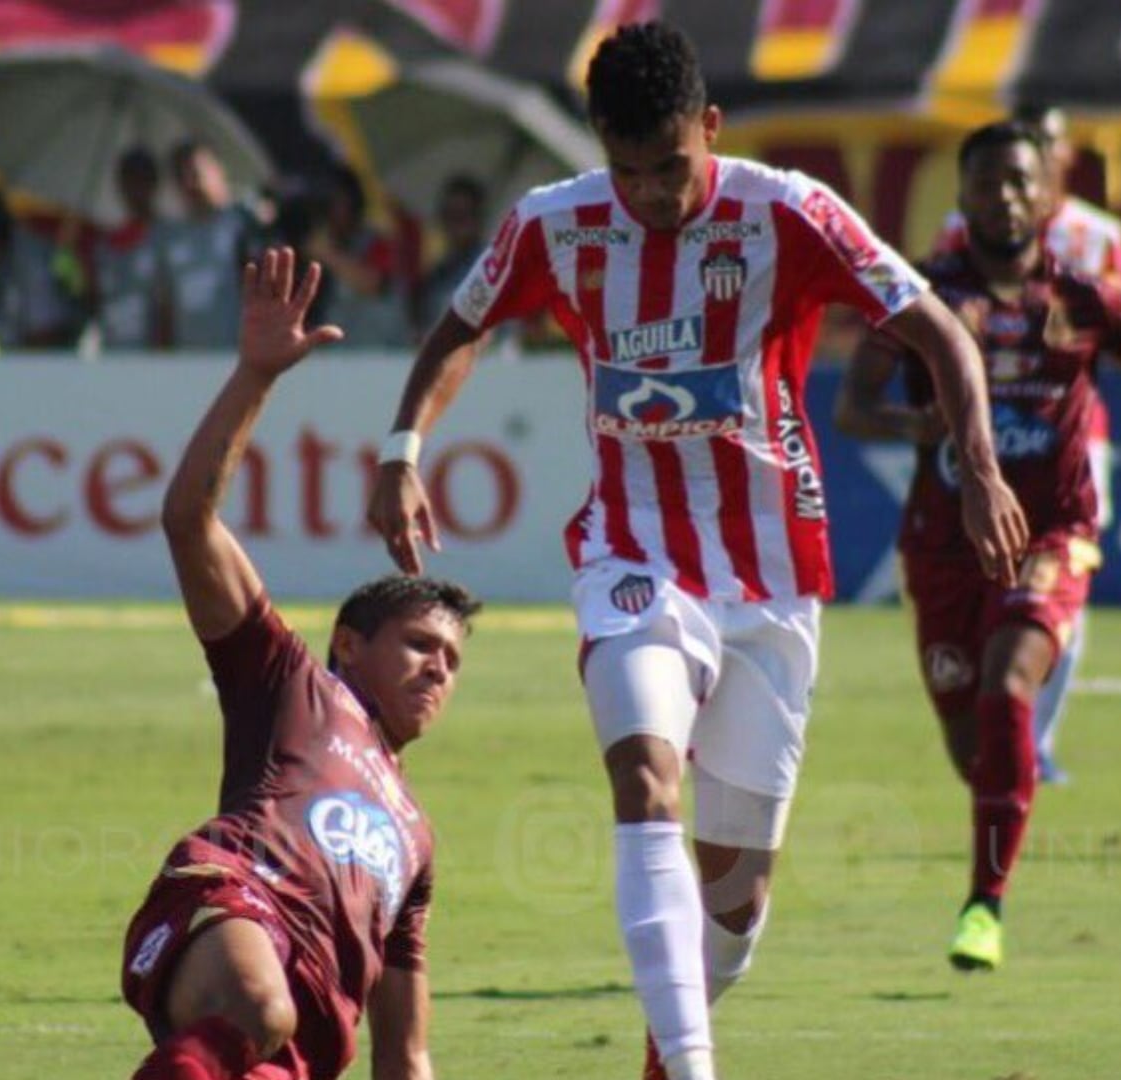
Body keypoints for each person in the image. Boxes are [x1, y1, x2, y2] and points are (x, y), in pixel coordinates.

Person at [366, 22, 1027, 1080]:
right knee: (644, 780)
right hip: (634, 560)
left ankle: (666, 1053)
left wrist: (983, 467)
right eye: (626, 171)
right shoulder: (557, 223)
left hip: (770, 584)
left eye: (670, 167)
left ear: (709, 129)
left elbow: (938, 326)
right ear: (598, 150)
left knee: (737, 904)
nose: (651, 194)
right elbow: (461, 326)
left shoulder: (788, 212)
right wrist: (403, 448)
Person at [837, 120, 1121, 972]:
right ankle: (1003, 822)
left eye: (1018, 183)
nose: (1003, 197)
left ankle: (983, 905)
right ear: (960, 197)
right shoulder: (921, 300)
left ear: (1049, 197)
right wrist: (914, 422)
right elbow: (853, 408)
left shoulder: (1090, 298)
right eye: (985, 183)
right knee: (977, 752)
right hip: (944, 541)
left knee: (1011, 684)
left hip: (1052, 531)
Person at [121, 245, 477, 1080]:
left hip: (308, 1039)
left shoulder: (417, 843)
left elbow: (406, 1054)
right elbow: (188, 520)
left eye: (454, 662)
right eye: (421, 645)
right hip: (230, 901)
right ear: (349, 644)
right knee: (259, 1007)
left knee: (269, 1037)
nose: (438, 670)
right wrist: (256, 375)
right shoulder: (291, 685)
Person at [933, 104, 1121, 784]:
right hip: (987, 434)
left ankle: (1034, 739)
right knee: (987, 582)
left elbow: (1120, 332)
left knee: (1065, 577)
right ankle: (1001, 723)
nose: (1039, 160)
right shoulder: (961, 231)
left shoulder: (1099, 237)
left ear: (1064, 158)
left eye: (1050, 147)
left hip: (1073, 434)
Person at [0, 184, 79, 353]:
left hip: (49, 364)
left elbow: (45, 334)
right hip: (15, 362)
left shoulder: (30, 257)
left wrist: (15, 370)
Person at [161, 142, 261, 351]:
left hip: (236, 354)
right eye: (181, 177)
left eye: (196, 173)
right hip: (187, 359)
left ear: (218, 170)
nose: (190, 183)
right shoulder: (170, 237)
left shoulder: (243, 223)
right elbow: (166, 307)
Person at [305, 163, 407, 349]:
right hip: (337, 354)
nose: (330, 211)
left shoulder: (377, 243)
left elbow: (373, 283)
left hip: (379, 352)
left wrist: (326, 254)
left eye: (336, 201)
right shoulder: (321, 247)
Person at [92, 146, 169, 352]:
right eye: (127, 180)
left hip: (158, 361)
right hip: (115, 354)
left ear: (153, 183)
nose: (133, 189)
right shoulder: (105, 247)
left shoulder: (169, 238)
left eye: (140, 179)